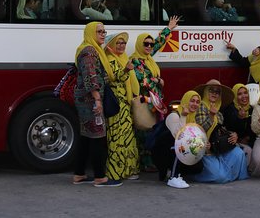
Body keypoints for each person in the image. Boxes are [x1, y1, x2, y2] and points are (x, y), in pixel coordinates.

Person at [72, 22, 121, 187]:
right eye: (99, 31)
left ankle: (79, 174)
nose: (103, 34)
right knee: (98, 136)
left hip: (87, 99)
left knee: (86, 136)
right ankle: (100, 177)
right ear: (91, 33)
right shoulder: (89, 52)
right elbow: (90, 76)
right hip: (90, 100)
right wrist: (97, 99)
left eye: (104, 31)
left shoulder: (91, 49)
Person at [129, 15, 180, 171]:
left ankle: (149, 161)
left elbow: (158, 43)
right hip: (144, 100)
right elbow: (141, 80)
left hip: (154, 102)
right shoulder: (136, 60)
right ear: (139, 44)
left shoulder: (147, 58)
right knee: (143, 129)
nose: (150, 46)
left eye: (150, 44)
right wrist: (158, 81)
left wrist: (169, 28)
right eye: (146, 44)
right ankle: (144, 163)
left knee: (151, 129)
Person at [192, 79, 249, 184]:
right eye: (211, 90)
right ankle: (198, 175)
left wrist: (233, 135)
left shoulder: (218, 110)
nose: (214, 93)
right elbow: (200, 129)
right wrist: (211, 116)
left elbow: (222, 129)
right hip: (204, 149)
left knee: (239, 154)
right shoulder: (200, 106)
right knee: (220, 177)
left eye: (217, 92)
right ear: (205, 92)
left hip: (217, 147)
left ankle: (224, 173)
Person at [103, 32, 140, 182]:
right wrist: (126, 70)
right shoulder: (111, 59)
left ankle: (129, 171)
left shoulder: (123, 58)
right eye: (118, 43)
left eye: (123, 43)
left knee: (127, 138)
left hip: (124, 104)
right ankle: (115, 172)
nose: (121, 45)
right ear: (111, 45)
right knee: (117, 138)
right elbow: (114, 78)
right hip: (116, 106)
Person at [154, 90, 205, 188]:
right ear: (185, 101)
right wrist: (183, 116)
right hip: (162, 152)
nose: (195, 104)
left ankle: (176, 172)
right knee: (180, 146)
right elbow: (178, 136)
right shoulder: (174, 115)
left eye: (197, 102)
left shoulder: (193, 119)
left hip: (174, 150)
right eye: (192, 101)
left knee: (198, 166)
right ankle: (173, 177)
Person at [222, 83, 256, 163]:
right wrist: (240, 119)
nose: (244, 96)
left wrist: (248, 138)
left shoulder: (250, 109)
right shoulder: (230, 109)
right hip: (233, 141)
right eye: (239, 94)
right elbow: (230, 129)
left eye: (245, 92)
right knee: (248, 150)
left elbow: (253, 130)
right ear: (235, 96)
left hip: (248, 141)